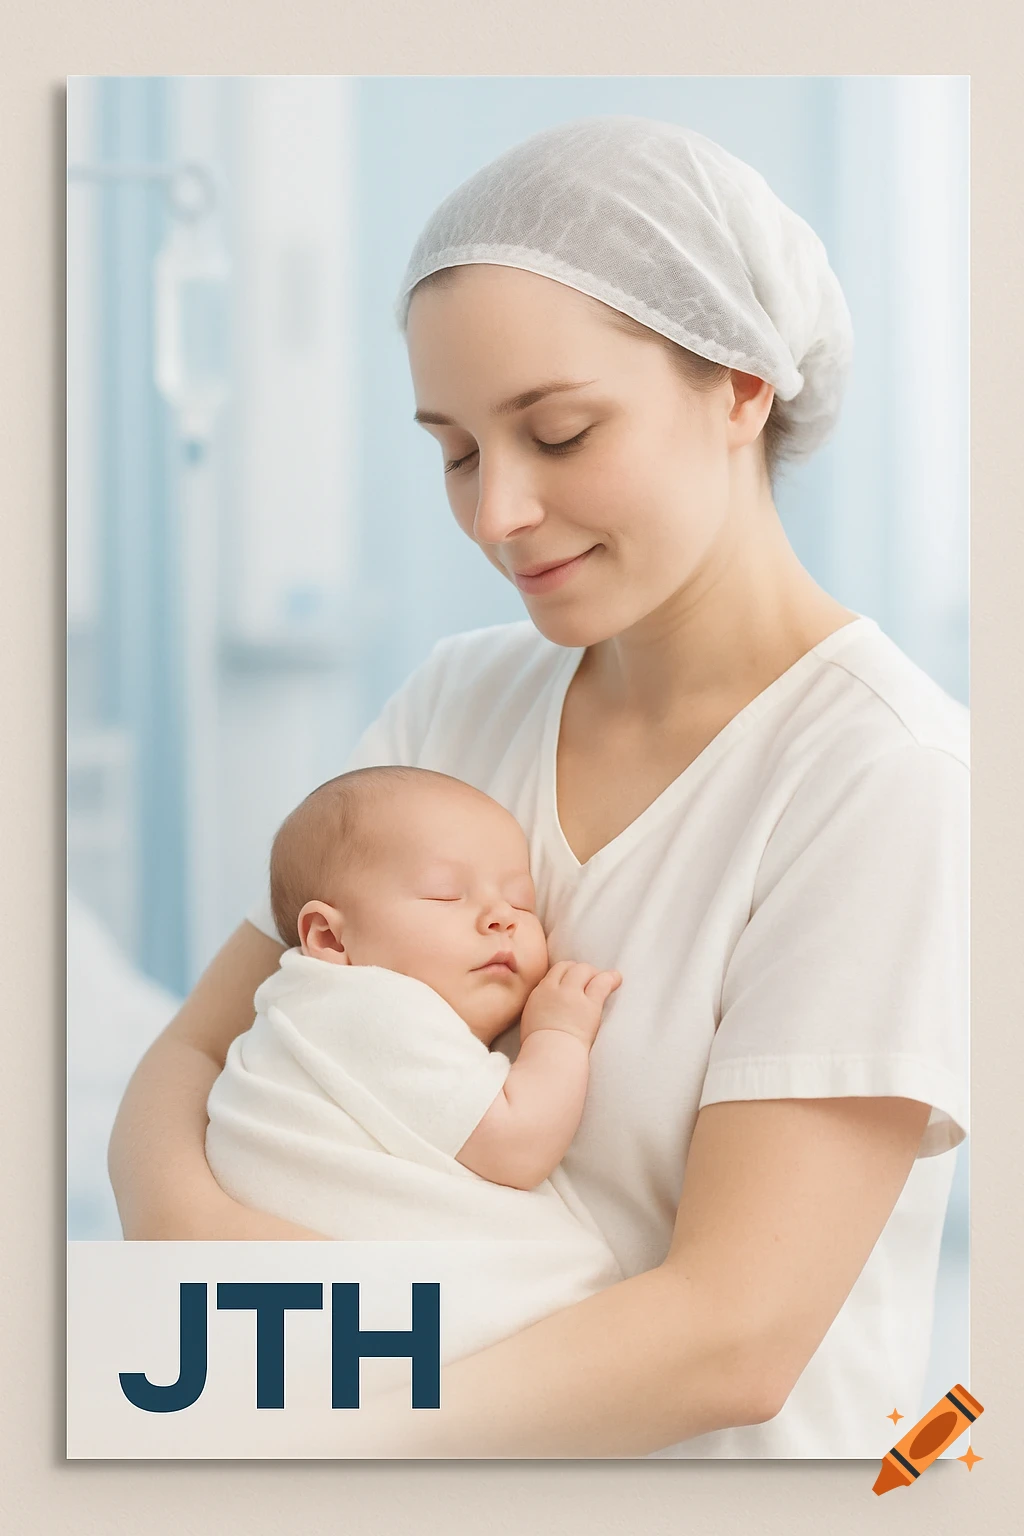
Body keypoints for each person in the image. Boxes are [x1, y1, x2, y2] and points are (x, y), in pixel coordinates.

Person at [108, 115, 969, 1459]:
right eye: (453, 450)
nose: (495, 511)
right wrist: (208, 1271)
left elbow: (733, 1338)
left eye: (558, 434)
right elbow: (192, 1054)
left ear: (743, 387)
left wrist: (318, 1421)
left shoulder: (883, 776)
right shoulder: (462, 701)